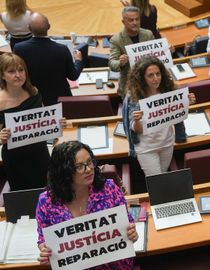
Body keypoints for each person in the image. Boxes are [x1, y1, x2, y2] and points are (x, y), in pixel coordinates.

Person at [35, 141, 138, 269]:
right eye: (79, 166)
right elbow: (43, 239)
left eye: (89, 162)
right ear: (64, 171)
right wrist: (46, 251)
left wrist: (132, 234)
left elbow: (128, 224)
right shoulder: (46, 202)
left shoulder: (110, 188)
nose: (89, 169)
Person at [125, 56, 195, 176]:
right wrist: (137, 121)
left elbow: (176, 114)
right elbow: (137, 130)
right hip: (147, 148)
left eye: (158, 74)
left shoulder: (168, 90)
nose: (156, 78)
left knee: (162, 177)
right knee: (157, 182)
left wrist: (186, 103)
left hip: (167, 143)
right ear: (142, 78)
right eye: (150, 75)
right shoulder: (133, 97)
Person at [0, 53, 50, 191]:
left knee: (47, 192)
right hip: (16, 159)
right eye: (11, 71)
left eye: (21, 70)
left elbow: (44, 118)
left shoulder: (33, 91)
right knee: (24, 197)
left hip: (39, 152)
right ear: (2, 75)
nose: (18, 75)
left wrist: (56, 123)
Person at [13, 12, 83, 106]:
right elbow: (73, 76)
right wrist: (78, 60)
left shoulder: (18, 48)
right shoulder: (62, 49)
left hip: (32, 100)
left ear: (29, 29)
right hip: (60, 99)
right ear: (49, 26)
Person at [109, 6, 154, 99]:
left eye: (137, 19)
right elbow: (112, 63)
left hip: (150, 84)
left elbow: (157, 56)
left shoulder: (148, 34)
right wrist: (120, 63)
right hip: (130, 87)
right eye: (131, 20)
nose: (135, 23)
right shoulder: (116, 40)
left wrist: (168, 51)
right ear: (123, 22)